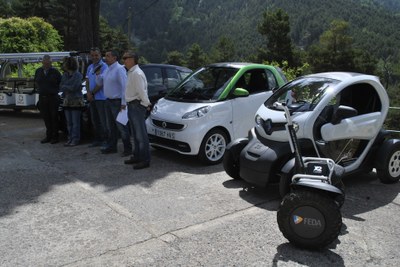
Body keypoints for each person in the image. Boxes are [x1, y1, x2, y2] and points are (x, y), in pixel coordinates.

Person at [95, 50, 132, 155]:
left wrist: (123, 103)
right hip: (108, 101)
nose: (105, 58)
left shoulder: (119, 69)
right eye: (105, 56)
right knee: (110, 126)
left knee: (121, 126)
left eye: (108, 56)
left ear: (115, 58)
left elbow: (125, 87)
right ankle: (112, 146)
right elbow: (99, 82)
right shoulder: (107, 69)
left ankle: (128, 148)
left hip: (117, 102)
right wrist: (98, 74)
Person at [122, 51, 151, 169]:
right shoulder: (131, 72)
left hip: (137, 106)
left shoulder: (137, 73)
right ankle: (137, 156)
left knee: (141, 135)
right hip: (132, 105)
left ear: (133, 59)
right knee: (135, 134)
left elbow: (142, 92)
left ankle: (145, 159)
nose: (123, 60)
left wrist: (146, 104)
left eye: (125, 58)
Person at [34, 55, 62, 144]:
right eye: (45, 63)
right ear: (42, 62)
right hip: (42, 97)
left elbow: (60, 83)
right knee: (46, 117)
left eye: (49, 63)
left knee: (54, 117)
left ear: (51, 63)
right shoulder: (38, 71)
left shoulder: (55, 72)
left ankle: (55, 136)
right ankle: (48, 136)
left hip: (53, 97)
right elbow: (36, 81)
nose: (47, 65)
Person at [85, 47, 108, 147]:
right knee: (95, 120)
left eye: (96, 55)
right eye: (92, 55)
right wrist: (88, 92)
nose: (94, 57)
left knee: (103, 121)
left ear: (100, 55)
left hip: (101, 98)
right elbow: (87, 81)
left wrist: (92, 93)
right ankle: (97, 139)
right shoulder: (90, 67)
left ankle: (105, 141)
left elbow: (101, 83)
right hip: (92, 98)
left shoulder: (104, 67)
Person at [60, 57, 84, 146]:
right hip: (67, 100)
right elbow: (61, 86)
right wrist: (68, 87)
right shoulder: (65, 75)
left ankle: (75, 139)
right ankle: (69, 138)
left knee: (75, 122)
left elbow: (75, 87)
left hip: (76, 101)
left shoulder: (78, 75)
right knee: (69, 122)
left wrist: (67, 86)